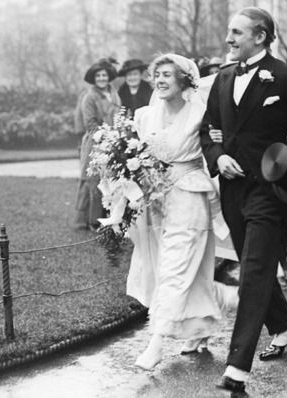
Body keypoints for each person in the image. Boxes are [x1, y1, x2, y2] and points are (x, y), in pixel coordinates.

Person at [200, 7, 287, 393]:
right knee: (254, 265)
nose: (229, 39)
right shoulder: (224, 77)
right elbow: (208, 133)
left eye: (237, 33)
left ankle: (236, 369)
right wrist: (217, 158)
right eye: (229, 32)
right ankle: (285, 327)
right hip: (233, 192)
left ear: (260, 36)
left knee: (254, 273)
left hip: (270, 193)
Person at [125, 54, 238, 371]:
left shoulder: (201, 113)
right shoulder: (145, 116)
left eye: (167, 75)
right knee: (174, 271)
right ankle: (205, 323)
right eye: (156, 74)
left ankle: (156, 344)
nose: (159, 80)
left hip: (190, 198)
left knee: (175, 272)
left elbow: (223, 141)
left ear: (184, 80)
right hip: (158, 203)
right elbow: (135, 156)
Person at [74, 59, 121, 230]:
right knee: (93, 180)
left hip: (113, 141)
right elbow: (90, 123)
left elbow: (118, 115)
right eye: (98, 76)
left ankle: (110, 217)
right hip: (96, 142)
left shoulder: (114, 93)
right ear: (94, 79)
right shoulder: (90, 97)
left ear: (109, 77)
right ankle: (91, 220)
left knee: (112, 179)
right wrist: (105, 135)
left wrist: (118, 134)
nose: (102, 78)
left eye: (104, 75)